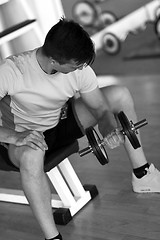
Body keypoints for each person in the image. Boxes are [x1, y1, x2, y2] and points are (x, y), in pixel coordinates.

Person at [0, 17, 159, 240]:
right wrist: (16, 136)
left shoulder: (77, 67)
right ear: (54, 61)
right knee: (32, 154)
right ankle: (53, 237)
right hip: (23, 136)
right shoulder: (12, 70)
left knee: (119, 95)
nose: (81, 69)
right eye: (76, 65)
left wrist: (109, 130)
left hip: (59, 122)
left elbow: (101, 109)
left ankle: (142, 175)